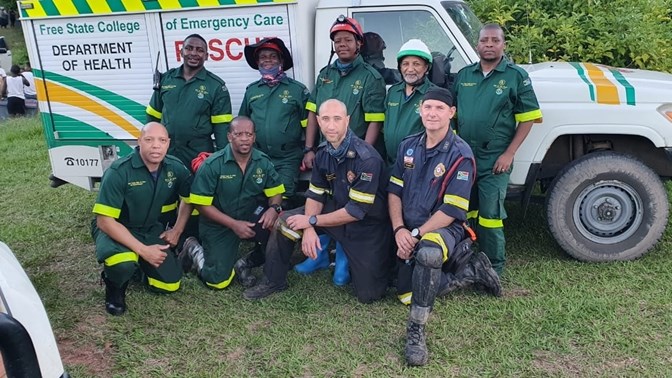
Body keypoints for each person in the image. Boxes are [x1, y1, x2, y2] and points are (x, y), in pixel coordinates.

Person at [388, 87, 501, 366]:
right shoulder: (408, 145)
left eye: (440, 108)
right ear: (420, 111)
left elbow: (451, 210)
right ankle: (472, 272)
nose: (432, 113)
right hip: (408, 229)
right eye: (428, 107)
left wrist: (413, 236)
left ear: (451, 113)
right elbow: (393, 191)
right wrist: (399, 230)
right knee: (402, 291)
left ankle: (416, 331)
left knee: (428, 255)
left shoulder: (460, 153)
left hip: (445, 229)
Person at [243, 99, 392, 303]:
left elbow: (356, 211)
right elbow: (315, 193)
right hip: (335, 213)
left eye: (337, 119)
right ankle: (273, 280)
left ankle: (346, 258)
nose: (331, 125)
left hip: (366, 226)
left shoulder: (366, 158)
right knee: (284, 221)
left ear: (347, 121)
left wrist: (311, 222)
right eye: (326, 119)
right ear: (319, 122)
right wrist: (309, 229)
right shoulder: (323, 153)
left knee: (369, 295)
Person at [296, 15, 386, 285]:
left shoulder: (371, 77)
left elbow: (374, 121)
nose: (342, 44)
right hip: (326, 154)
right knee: (327, 198)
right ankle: (321, 253)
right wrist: (309, 148)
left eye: (348, 39)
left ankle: (345, 256)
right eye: (337, 40)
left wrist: (362, 156)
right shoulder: (324, 76)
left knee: (350, 203)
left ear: (359, 44)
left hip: (354, 156)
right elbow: (313, 113)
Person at [453, 24, 542, 276]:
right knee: (463, 207)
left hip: (495, 157)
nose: (489, 44)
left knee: (490, 213)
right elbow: (452, 114)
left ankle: (493, 267)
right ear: (477, 45)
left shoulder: (515, 75)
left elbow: (528, 118)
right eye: (484, 40)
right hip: (464, 156)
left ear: (504, 45)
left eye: (495, 40)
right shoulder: (464, 75)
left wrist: (509, 153)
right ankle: (464, 257)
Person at [91, 122, 193, 316]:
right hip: (116, 228)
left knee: (170, 284)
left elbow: (187, 200)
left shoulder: (175, 168)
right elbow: (104, 221)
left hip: (149, 229)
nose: (156, 145)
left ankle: (138, 268)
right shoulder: (119, 171)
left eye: (162, 140)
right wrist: (144, 251)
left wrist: (177, 230)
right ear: (139, 142)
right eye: (149, 140)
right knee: (122, 263)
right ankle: (114, 287)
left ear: (168, 144)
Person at [179, 116, 285, 290]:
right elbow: (201, 205)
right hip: (218, 223)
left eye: (248, 134)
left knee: (277, 227)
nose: (244, 138)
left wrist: (274, 208)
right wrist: (234, 225)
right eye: (238, 134)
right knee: (218, 282)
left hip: (248, 215)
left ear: (254, 137)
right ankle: (194, 249)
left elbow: (276, 191)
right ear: (229, 136)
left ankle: (245, 263)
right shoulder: (213, 165)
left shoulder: (262, 162)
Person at [146, 33, 232, 168]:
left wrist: (223, 160)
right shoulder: (166, 79)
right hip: (167, 152)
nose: (193, 53)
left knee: (199, 189)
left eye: (200, 50)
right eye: (189, 48)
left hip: (199, 154)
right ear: (181, 51)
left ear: (206, 56)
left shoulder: (215, 86)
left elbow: (222, 128)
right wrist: (149, 146)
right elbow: (153, 116)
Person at [239, 37, 309, 203]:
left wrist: (309, 150)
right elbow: (243, 123)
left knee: (282, 201)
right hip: (258, 157)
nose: (267, 60)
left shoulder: (297, 90)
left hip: (288, 158)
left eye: (272, 56)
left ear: (281, 61)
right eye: (263, 57)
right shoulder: (251, 91)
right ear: (257, 62)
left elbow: (309, 125)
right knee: (257, 199)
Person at [383, 39, 436, 167]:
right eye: (405, 64)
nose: (410, 69)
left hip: (419, 166)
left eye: (416, 64)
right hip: (391, 165)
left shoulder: (434, 95)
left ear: (426, 68)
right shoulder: (393, 92)